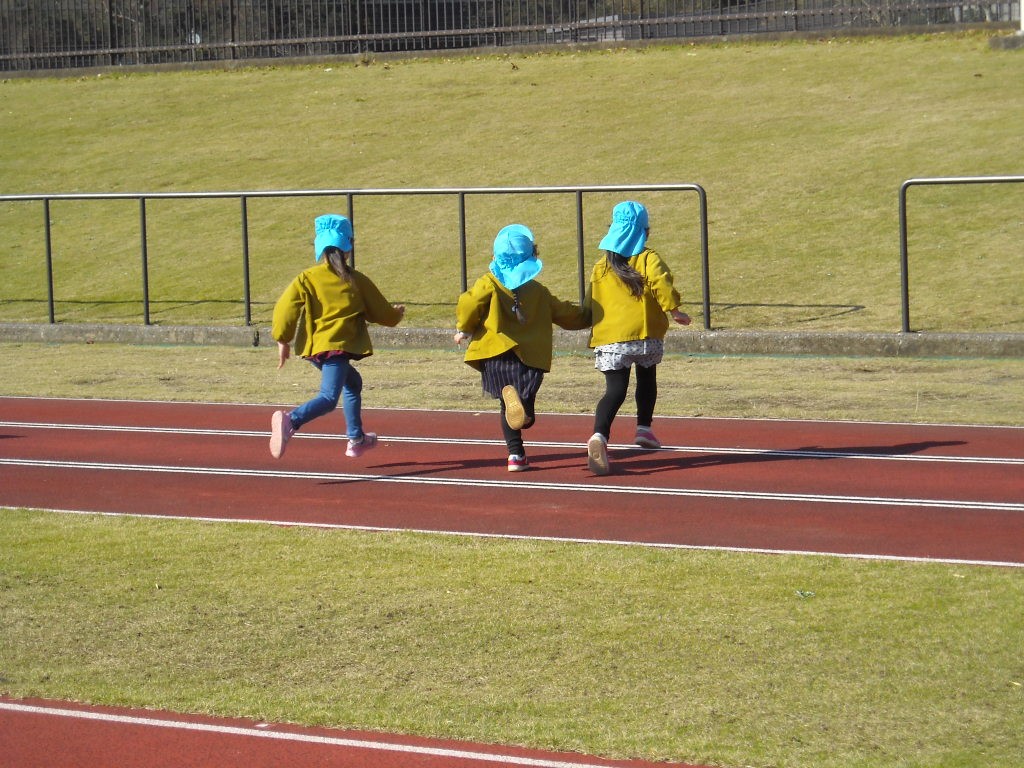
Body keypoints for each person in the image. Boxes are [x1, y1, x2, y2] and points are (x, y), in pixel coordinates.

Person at [269, 213, 405, 460]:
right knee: (329, 398)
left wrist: (282, 339)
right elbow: (381, 312)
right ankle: (291, 420)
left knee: (353, 383)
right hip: (337, 350)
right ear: (348, 247)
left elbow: (285, 308)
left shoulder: (307, 278)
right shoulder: (356, 280)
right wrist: (396, 315)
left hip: (314, 349)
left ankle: (356, 439)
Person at [455, 224, 588, 472]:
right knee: (525, 414)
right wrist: (591, 314)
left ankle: (515, 455)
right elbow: (565, 314)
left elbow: (469, 303)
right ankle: (525, 413)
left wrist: (463, 328)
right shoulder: (538, 291)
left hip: (495, 353)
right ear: (531, 258)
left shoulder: (488, 283)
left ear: (495, 257)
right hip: (529, 358)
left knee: (507, 408)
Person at [584, 201, 691, 476]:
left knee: (614, 391)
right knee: (647, 378)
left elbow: (590, 303)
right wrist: (674, 309)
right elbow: (661, 282)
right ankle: (644, 428)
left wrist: (578, 320)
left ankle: (599, 436)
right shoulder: (648, 258)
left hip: (611, 338)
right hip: (645, 335)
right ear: (645, 231)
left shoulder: (601, 266)